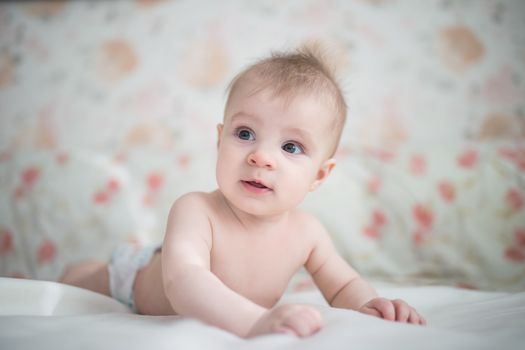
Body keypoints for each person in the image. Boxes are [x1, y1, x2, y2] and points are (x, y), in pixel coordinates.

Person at [60, 44, 426, 338]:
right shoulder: (196, 210)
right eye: (245, 134)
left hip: (174, 266)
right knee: (87, 282)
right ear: (220, 140)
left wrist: (369, 306)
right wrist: (252, 322)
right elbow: (183, 280)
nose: (261, 157)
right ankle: (78, 269)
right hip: (137, 278)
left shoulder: (308, 233)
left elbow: (343, 284)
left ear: (319, 175)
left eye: (291, 147)